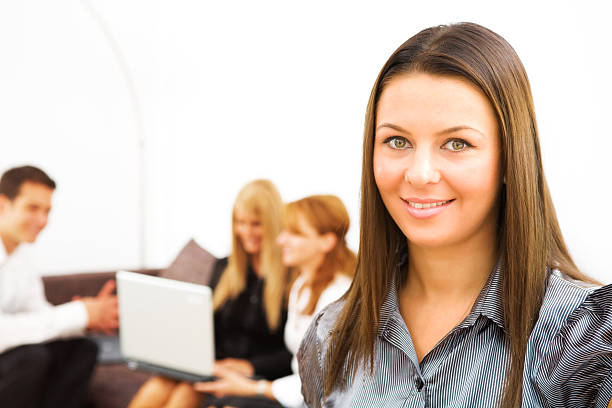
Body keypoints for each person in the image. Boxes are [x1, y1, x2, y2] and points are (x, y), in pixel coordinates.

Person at [297, 22, 612, 408]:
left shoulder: (586, 335)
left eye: (457, 143)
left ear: (511, 159)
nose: (419, 173)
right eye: (398, 141)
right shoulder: (329, 339)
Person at [129, 179, 292, 408]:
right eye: (240, 222)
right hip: (217, 366)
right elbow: (208, 329)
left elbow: (296, 352)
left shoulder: (291, 278)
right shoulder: (225, 268)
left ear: (273, 224)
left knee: (185, 396)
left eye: (256, 223)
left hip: (259, 374)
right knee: (159, 386)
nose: (245, 231)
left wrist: (250, 367)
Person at [194, 194, 355, 407]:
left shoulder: (339, 297)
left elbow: (324, 385)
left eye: (295, 234)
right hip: (295, 391)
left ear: (327, 242)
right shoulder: (302, 285)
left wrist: (254, 387)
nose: (280, 240)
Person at [0, 165, 119, 408]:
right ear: (2, 204)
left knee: (82, 350)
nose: (42, 220)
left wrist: (88, 318)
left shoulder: (23, 256)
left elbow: (38, 314)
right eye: (32, 208)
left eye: (47, 211)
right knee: (32, 358)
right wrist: (77, 315)